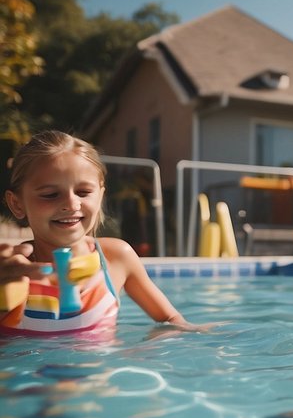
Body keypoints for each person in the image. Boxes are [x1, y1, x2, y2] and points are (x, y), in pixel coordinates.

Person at [1, 130, 206, 337]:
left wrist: (146, 353)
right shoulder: (14, 270)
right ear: (17, 204)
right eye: (50, 195)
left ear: (100, 196)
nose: (72, 204)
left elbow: (171, 320)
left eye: (83, 192)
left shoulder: (116, 257)